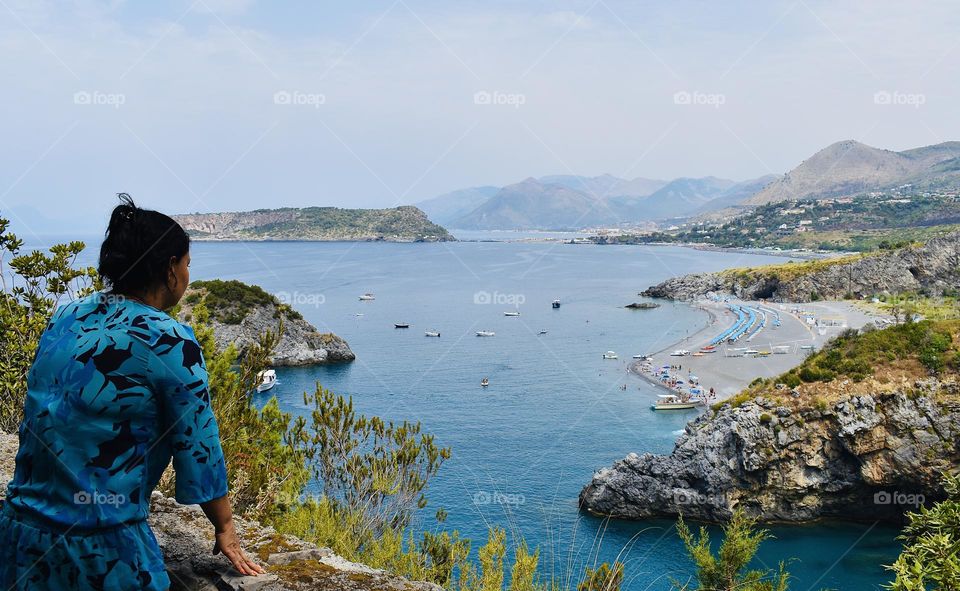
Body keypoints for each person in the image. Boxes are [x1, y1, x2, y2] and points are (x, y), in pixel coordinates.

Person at [0, 195, 264, 590]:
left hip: (21, 537)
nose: (189, 275)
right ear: (170, 270)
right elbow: (198, 444)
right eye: (188, 264)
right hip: (100, 547)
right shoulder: (169, 339)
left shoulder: (67, 314)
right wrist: (225, 526)